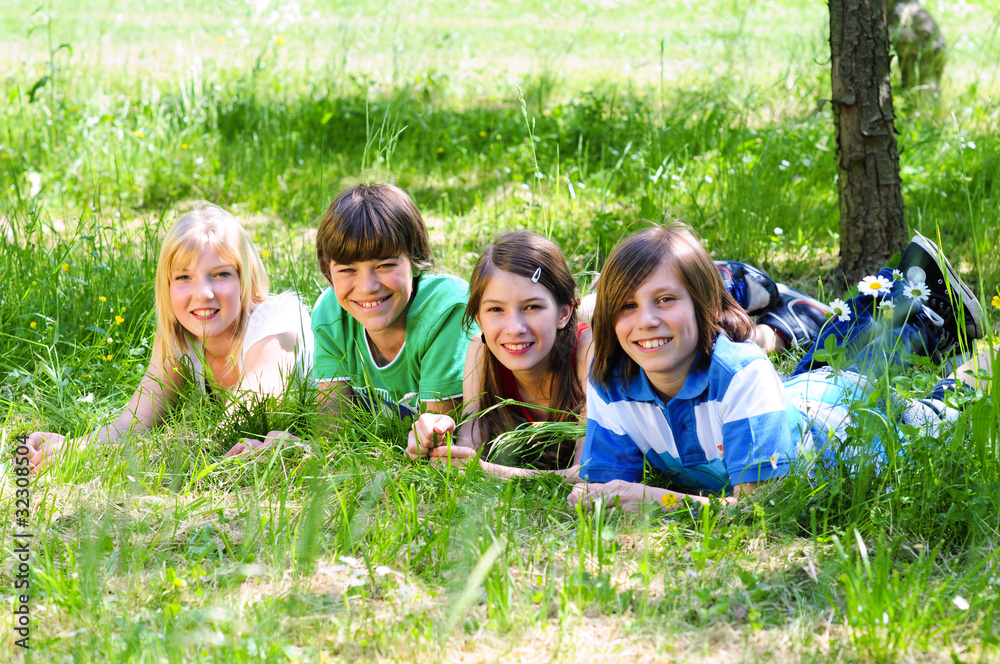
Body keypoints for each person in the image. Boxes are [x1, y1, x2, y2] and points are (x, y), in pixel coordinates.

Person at [569, 222, 988, 510]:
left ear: (704, 306)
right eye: (627, 305)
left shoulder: (739, 373)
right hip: (797, 397)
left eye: (665, 300)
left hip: (852, 427)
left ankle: (977, 351)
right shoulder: (611, 379)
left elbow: (760, 512)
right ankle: (911, 297)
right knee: (848, 353)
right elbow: (603, 493)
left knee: (944, 414)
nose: (646, 320)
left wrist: (656, 502)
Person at [25, 204, 314, 471]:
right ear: (167, 286)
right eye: (183, 278)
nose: (203, 293)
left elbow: (236, 422)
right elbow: (133, 423)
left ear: (245, 279)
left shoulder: (277, 326)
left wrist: (136, 458)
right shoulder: (184, 337)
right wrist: (75, 447)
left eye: (221, 274)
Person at [405, 231, 593, 478]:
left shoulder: (587, 350)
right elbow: (468, 445)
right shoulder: (482, 349)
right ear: (478, 320)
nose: (514, 328)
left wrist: (488, 471)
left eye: (532, 307)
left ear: (564, 313)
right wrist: (437, 441)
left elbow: (587, 474)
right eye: (496, 309)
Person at [309, 183, 472, 419]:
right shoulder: (331, 315)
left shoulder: (445, 310)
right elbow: (331, 428)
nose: (367, 287)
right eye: (347, 270)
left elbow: (437, 436)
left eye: (385, 265)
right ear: (328, 272)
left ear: (415, 260)